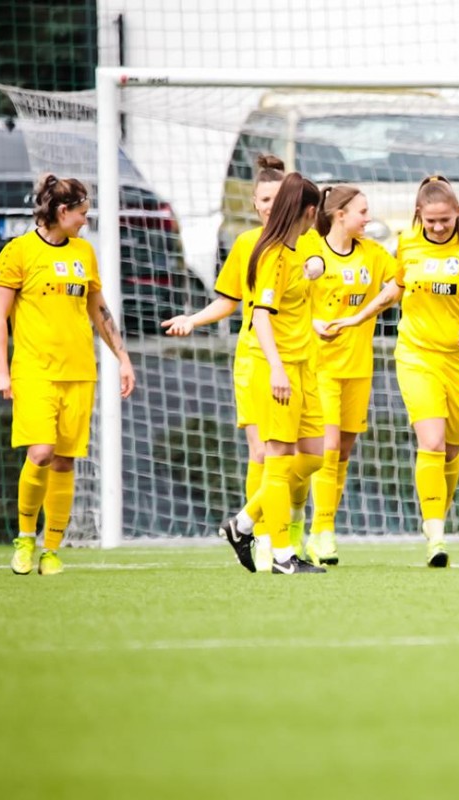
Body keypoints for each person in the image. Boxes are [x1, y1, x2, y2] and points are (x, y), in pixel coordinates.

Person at [326, 175, 459, 567]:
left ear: (458, 212)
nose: (439, 227)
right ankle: (436, 535)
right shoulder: (407, 242)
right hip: (417, 354)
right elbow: (396, 287)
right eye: (431, 221)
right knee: (431, 441)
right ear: (419, 216)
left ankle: (435, 517)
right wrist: (358, 316)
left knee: (451, 449)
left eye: (445, 219)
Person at [0, 173, 136, 575]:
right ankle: (25, 539)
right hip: (34, 371)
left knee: (65, 461)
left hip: (79, 372)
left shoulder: (84, 253)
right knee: (41, 452)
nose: (86, 220)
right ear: (62, 211)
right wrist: (1, 371)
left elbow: (98, 309)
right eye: (82, 213)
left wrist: (123, 358)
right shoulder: (18, 252)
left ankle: (51, 550)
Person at [162, 153, 284, 570]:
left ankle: (257, 526)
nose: (270, 207)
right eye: (264, 200)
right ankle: (264, 538)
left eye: (278, 199)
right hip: (256, 360)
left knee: (303, 458)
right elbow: (228, 301)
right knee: (263, 453)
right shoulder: (247, 244)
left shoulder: (306, 244)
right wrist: (193, 319)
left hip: (300, 361)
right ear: (254, 203)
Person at [218, 172, 327, 575]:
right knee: (277, 459)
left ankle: (243, 522)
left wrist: (317, 264)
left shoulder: (299, 246)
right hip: (275, 367)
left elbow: (318, 260)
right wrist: (277, 369)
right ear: (310, 212)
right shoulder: (272, 254)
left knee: (313, 454)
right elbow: (260, 316)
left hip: (303, 364)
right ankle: (283, 555)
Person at [306, 185, 392, 566]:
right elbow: (292, 297)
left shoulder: (373, 253)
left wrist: (363, 314)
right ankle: (321, 531)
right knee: (325, 448)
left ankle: (321, 528)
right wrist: (313, 323)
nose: (368, 218)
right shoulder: (312, 249)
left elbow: (399, 283)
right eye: (362, 211)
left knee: (342, 451)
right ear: (340, 215)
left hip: (358, 366)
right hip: (320, 366)